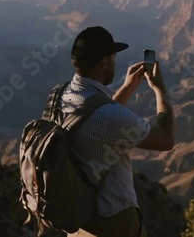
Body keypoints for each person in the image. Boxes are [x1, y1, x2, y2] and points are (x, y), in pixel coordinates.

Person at [58, 26, 175, 237]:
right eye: (113, 56)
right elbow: (165, 140)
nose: (115, 61)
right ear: (104, 62)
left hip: (78, 224)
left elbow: (93, 116)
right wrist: (160, 89)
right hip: (112, 223)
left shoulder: (60, 95)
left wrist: (128, 88)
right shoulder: (109, 116)